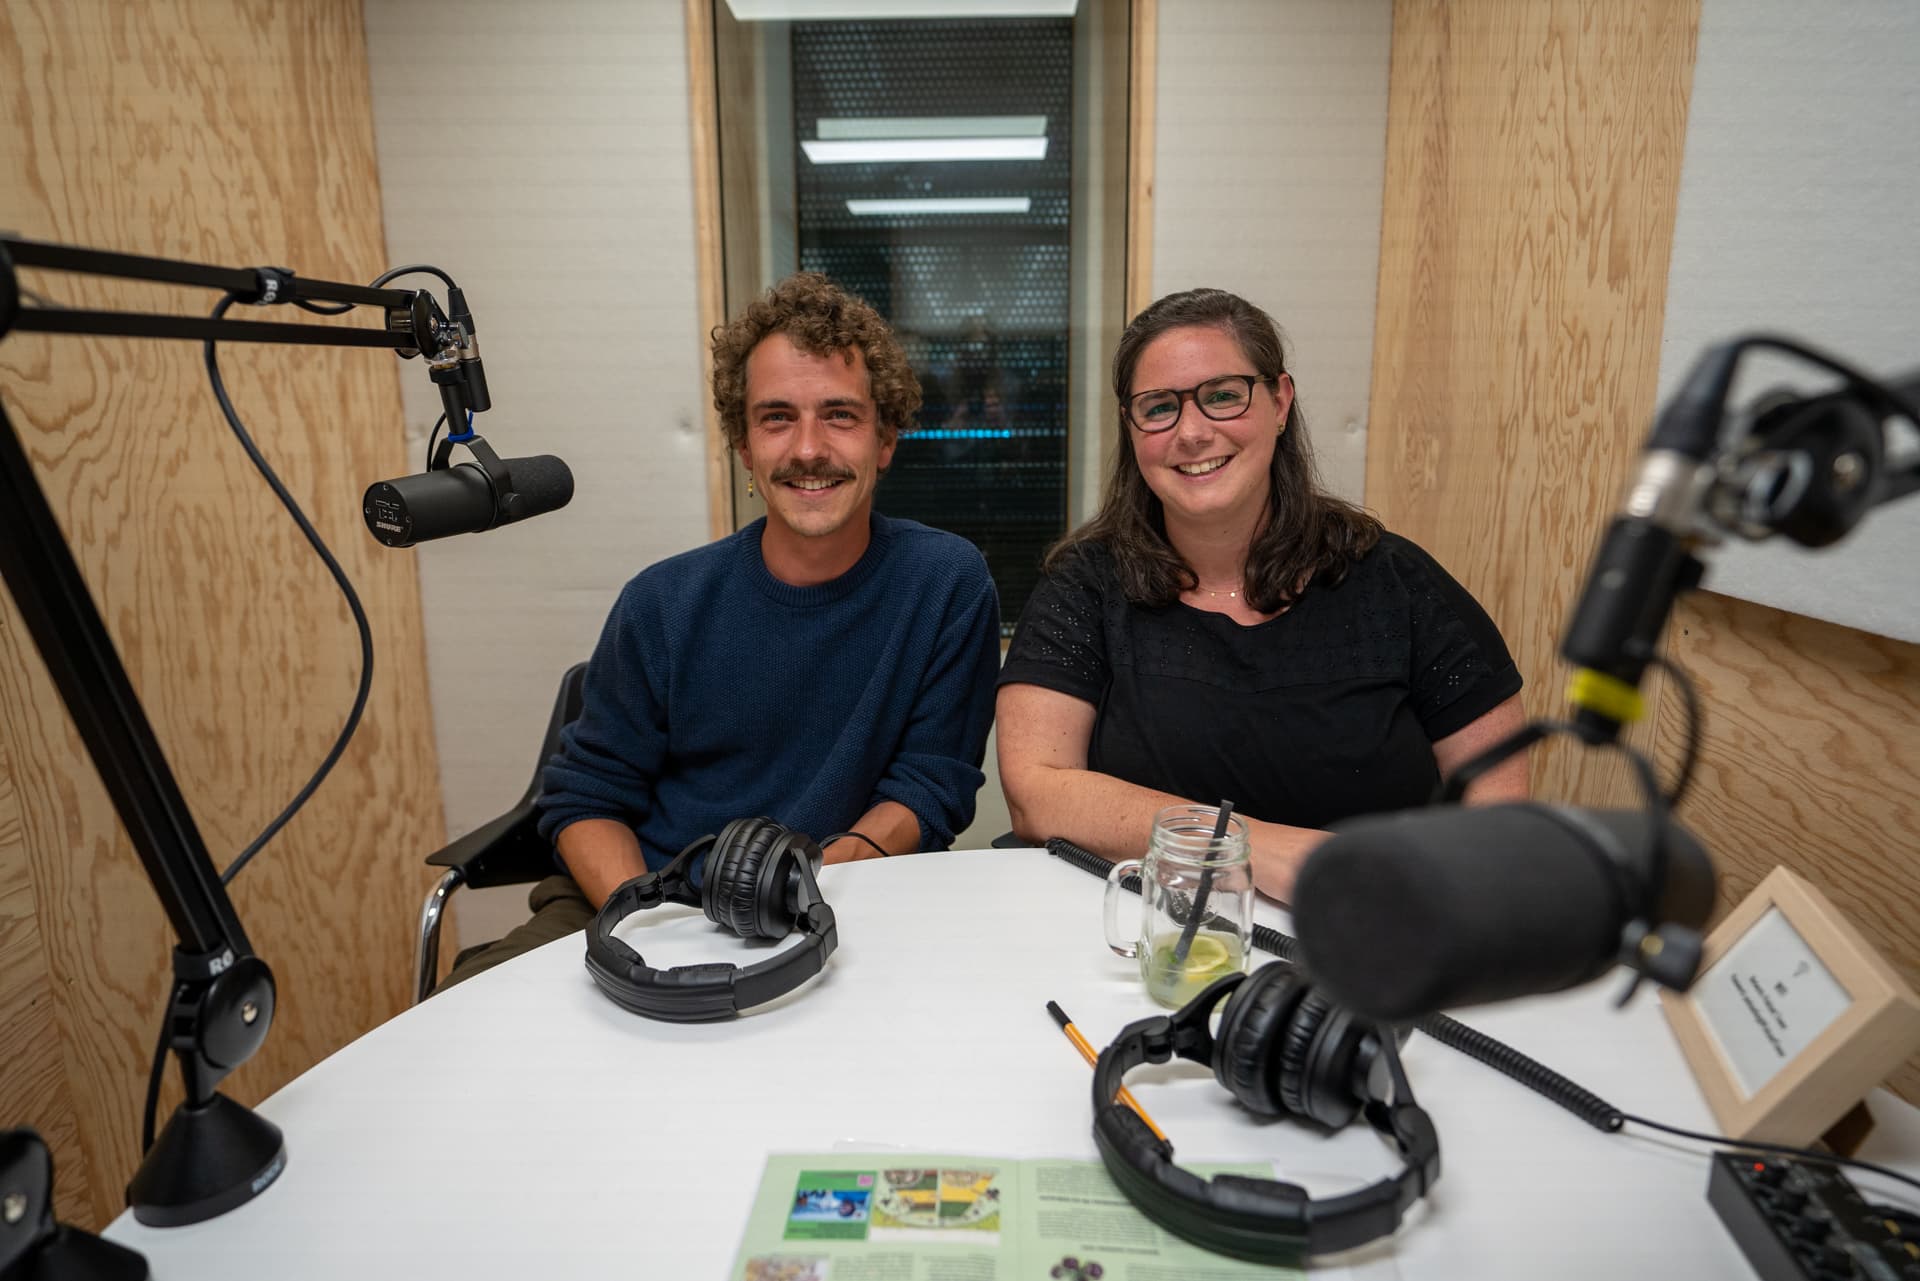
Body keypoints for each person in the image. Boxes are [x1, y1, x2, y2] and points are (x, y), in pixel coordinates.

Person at [442, 272, 1001, 987]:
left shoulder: (947, 584)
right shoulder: (662, 602)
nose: (807, 448)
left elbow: (932, 789)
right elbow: (585, 801)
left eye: (839, 415)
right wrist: (653, 929)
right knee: (472, 1028)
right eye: (776, 418)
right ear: (742, 444)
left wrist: (804, 888)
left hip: (849, 903)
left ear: (886, 437)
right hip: (641, 898)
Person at [995, 288, 1526, 902]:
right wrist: (1247, 849)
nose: (1192, 432)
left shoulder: (1398, 583)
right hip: (1154, 937)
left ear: (1280, 401)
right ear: (1131, 427)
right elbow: (1037, 791)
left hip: (1369, 931)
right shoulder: (1084, 587)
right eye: (1159, 407)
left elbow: (1499, 813)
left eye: (1223, 396)